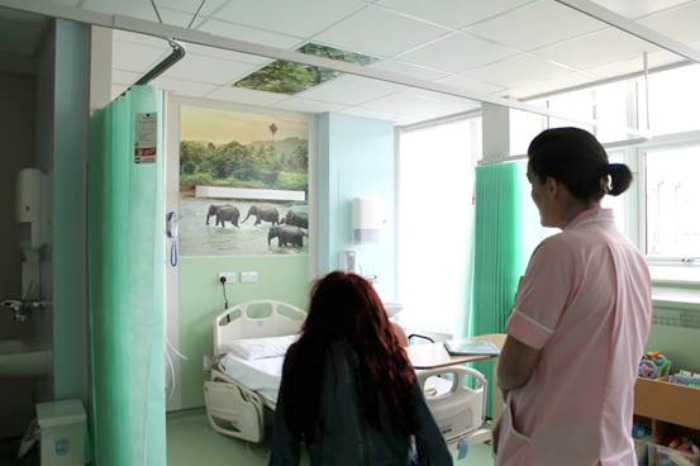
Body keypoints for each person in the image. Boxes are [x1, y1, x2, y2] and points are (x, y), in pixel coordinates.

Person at [494, 127, 652, 466]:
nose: (532, 195)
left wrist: (506, 401)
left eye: (531, 184)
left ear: (550, 187)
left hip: (553, 448)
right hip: (611, 450)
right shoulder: (633, 256)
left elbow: (515, 366)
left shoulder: (561, 252)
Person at [269, 271, 452, 466]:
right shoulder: (389, 356)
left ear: (319, 314)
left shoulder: (302, 358)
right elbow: (429, 434)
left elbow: (284, 440)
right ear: (373, 313)